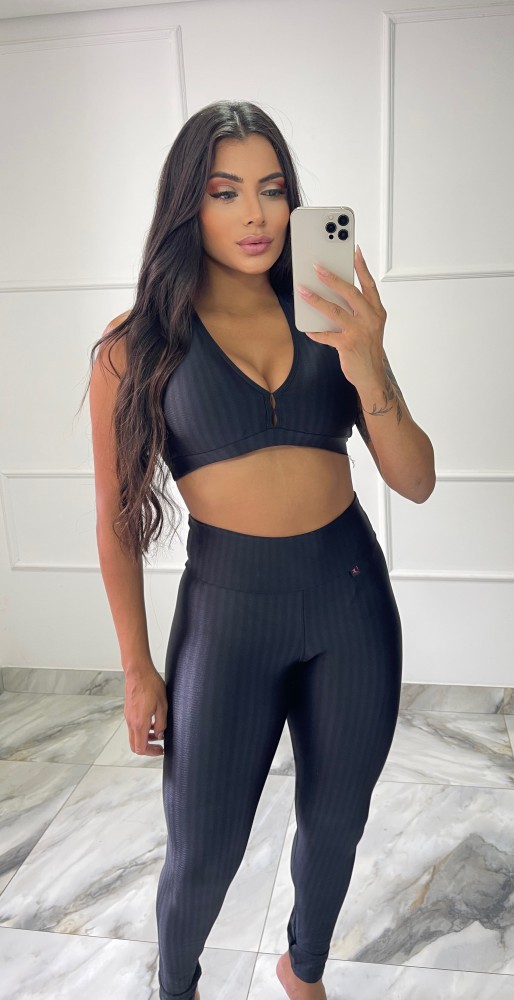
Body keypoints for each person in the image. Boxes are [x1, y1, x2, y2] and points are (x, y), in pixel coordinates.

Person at [86, 100, 435, 1000]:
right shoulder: (135, 348)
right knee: (202, 850)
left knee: (336, 823)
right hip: (227, 617)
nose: (256, 214)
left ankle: (302, 970)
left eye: (273, 190)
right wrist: (137, 668)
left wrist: (369, 356)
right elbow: (117, 521)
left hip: (350, 601)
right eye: (225, 191)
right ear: (187, 204)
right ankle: (177, 988)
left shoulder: (331, 317)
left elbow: (416, 479)